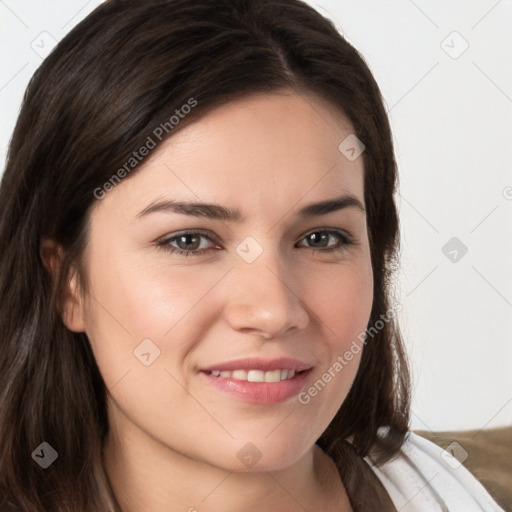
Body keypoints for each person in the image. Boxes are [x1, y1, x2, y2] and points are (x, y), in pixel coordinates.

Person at [0, 0, 505, 510]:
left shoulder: (457, 491)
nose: (273, 310)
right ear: (67, 280)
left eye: (321, 238)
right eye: (189, 241)